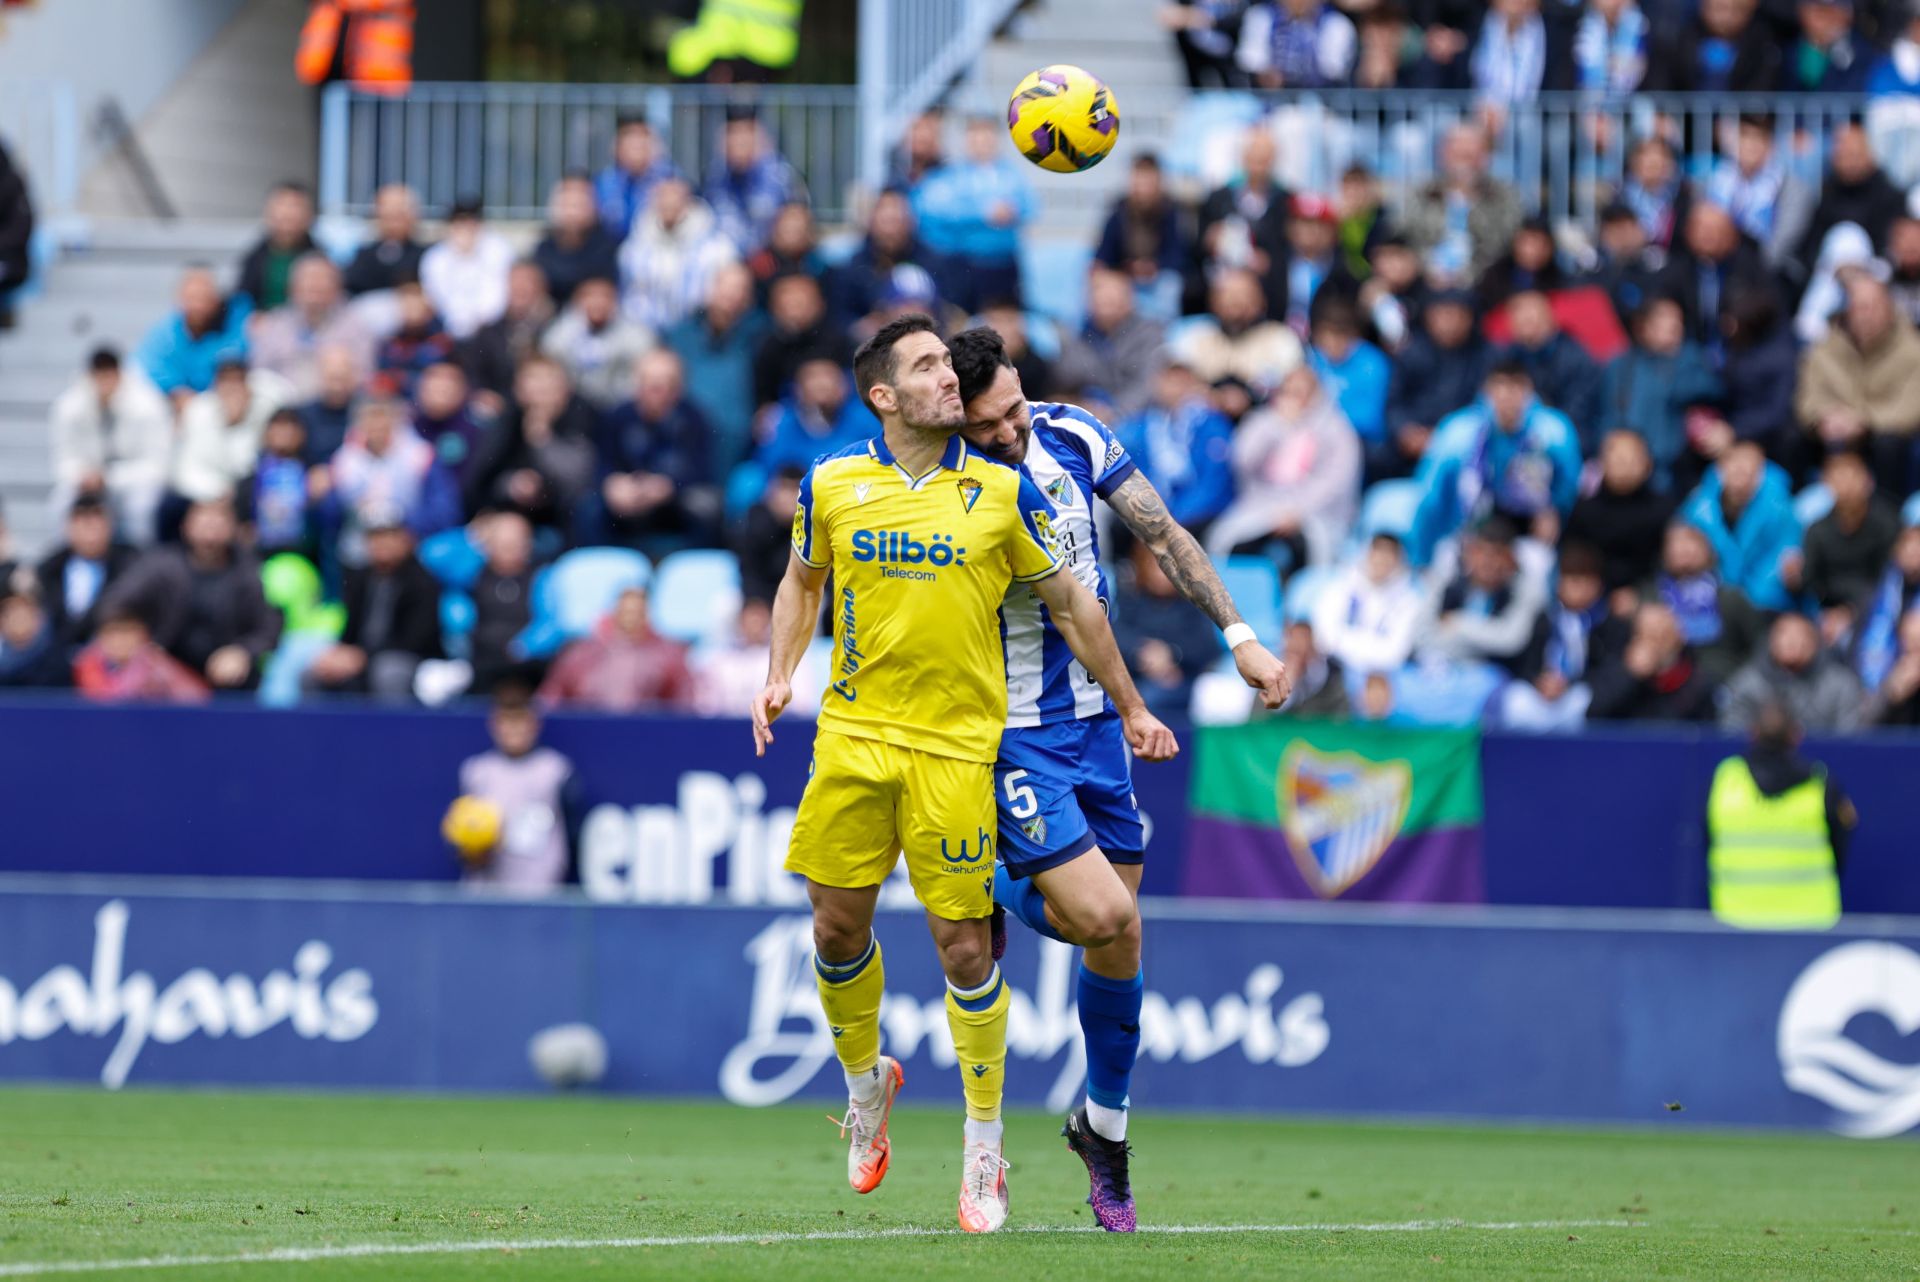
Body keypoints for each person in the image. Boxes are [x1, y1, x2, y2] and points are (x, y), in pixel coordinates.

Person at [751, 316, 1183, 1235]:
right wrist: (781, 668)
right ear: (883, 395)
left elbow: (1073, 603)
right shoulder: (831, 483)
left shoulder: (1000, 490)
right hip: (854, 737)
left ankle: (984, 1154)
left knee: (965, 951)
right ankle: (868, 1086)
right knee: (834, 927)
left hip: (961, 749)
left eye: (949, 364)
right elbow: (801, 580)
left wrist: (1135, 706)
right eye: (927, 367)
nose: (949, 378)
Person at [950, 325, 1287, 1230]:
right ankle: (988, 879)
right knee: (1102, 913)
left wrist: (1241, 637)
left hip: (1095, 726)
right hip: (1015, 733)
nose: (1011, 432)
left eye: (1016, 408)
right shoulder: (952, 485)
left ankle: (1104, 1129)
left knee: (1116, 938)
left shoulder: (1075, 432)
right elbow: (1054, 607)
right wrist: (1138, 706)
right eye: (990, 425)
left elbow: (1165, 535)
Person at [1410, 359, 1583, 561]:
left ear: (1529, 390)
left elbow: (1571, 486)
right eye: (1500, 386)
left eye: (1516, 387)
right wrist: (1423, 556)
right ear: (1487, 391)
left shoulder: (1553, 432)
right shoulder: (1458, 432)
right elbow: (1430, 494)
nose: (1507, 396)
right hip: (1467, 526)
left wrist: (1554, 509)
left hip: (1529, 527)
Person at [101, 498, 281, 691]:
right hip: (166, 677)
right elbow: (115, 604)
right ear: (186, 525)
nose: (211, 525)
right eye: (204, 517)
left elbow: (268, 628)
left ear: (233, 526)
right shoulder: (161, 566)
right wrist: (140, 643)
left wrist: (242, 652)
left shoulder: (250, 571)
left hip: (230, 681)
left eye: (220, 518)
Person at [1704, 703, 1853, 929]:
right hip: (1812, 922)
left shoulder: (1725, 779)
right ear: (1796, 735)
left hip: (1736, 920)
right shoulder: (1820, 782)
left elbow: (1707, 840)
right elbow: (1841, 845)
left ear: (1752, 733)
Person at [1204, 362, 1362, 567]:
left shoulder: (1337, 429)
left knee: (1312, 550)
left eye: (1301, 392)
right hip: (1260, 507)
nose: (1293, 399)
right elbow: (1242, 462)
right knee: (1227, 542)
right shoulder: (1262, 421)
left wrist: (1297, 511)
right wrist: (1277, 428)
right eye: (1288, 392)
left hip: (1315, 514)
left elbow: (1338, 481)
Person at [1795, 274, 1920, 496]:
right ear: (1848, 311)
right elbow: (1808, 396)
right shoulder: (1825, 347)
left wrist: (1863, 420)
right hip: (1834, 429)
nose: (1866, 315)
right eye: (1860, 307)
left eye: (1874, 307)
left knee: (1889, 445)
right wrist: (1824, 417)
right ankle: (1801, 509)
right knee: (1792, 437)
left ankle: (1888, 515)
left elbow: (1911, 409)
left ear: (1890, 309)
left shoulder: (1913, 350)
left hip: (1882, 432)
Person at [592, 349, 718, 555]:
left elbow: (702, 471)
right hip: (626, 501)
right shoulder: (617, 417)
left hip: (673, 503)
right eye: (649, 385)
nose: (655, 393)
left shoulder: (695, 419)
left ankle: (692, 570)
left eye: (663, 386)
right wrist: (612, 484)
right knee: (589, 509)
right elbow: (603, 464)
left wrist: (669, 486)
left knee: (706, 506)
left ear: (677, 388)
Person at [453, 690, 580, 892]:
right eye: (507, 722)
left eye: (520, 722)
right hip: (487, 891)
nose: (514, 731)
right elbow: (462, 839)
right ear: (494, 725)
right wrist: (473, 850)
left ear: (534, 725)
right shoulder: (477, 771)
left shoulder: (555, 770)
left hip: (538, 888)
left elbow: (573, 832)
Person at [305, 514, 442, 701]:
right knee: (313, 672)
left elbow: (414, 640)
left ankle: (394, 730)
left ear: (405, 539)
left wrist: (363, 657)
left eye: (389, 536)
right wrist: (340, 654)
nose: (382, 544)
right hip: (363, 657)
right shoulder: (360, 578)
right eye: (375, 537)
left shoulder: (423, 582)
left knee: (388, 672)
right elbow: (350, 629)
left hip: (410, 658)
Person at [1498, 541, 1629, 729]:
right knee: (1515, 700)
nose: (1580, 588)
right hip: (1542, 694)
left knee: (1586, 701)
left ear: (1599, 585)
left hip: (1576, 693)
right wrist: (1540, 681)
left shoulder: (1606, 623)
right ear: (1558, 582)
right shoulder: (1545, 619)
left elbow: (1605, 670)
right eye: (1572, 580)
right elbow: (1527, 662)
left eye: (1587, 580)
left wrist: (1569, 684)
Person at [48, 347, 172, 546]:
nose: (104, 383)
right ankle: (67, 564)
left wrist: (109, 478)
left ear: (120, 374)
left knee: (141, 506)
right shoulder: (69, 406)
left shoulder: (148, 404)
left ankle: (140, 563)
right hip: (88, 482)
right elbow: (63, 458)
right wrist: (82, 476)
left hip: (133, 483)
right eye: (99, 375)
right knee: (61, 502)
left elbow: (157, 467)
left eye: (109, 375)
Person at [463, 356, 599, 534]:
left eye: (548, 388)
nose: (540, 397)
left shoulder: (582, 417)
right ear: (519, 390)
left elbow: (579, 483)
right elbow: (479, 479)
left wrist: (541, 438)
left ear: (565, 390)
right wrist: (511, 485)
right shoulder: (507, 422)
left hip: (562, 525)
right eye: (534, 386)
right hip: (508, 518)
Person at [1597, 296, 1723, 485]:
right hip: (1626, 465)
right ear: (1643, 326)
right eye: (1663, 319)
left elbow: (1711, 391)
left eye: (1677, 321)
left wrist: (1673, 362)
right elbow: (1607, 414)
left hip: (1672, 469)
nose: (1674, 327)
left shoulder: (1690, 359)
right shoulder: (1621, 365)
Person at [911, 117, 1034, 310]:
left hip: (1005, 263)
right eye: (976, 137)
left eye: (987, 137)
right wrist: (983, 214)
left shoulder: (1011, 173)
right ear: (967, 141)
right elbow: (935, 210)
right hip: (968, 263)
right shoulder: (953, 175)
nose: (982, 143)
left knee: (1007, 317)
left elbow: (1031, 206)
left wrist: (1013, 211)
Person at [1118, 358, 1239, 541]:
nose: (1174, 389)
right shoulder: (1147, 424)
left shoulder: (1211, 424)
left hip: (1200, 513)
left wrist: (1174, 518)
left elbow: (1213, 483)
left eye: (1181, 382)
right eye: (1168, 381)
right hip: (1158, 510)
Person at [327, 398, 461, 564]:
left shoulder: (420, 456)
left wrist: (406, 524)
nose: (377, 429)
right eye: (370, 421)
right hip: (358, 552)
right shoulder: (344, 461)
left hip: (409, 548)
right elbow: (329, 516)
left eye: (383, 420)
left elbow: (445, 510)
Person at [1678, 441, 1807, 612]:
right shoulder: (1698, 509)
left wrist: (1749, 600)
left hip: (1765, 603)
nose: (1740, 479)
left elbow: (1783, 555)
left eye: (1748, 471)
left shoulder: (1780, 509)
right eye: (1734, 469)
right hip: (1711, 601)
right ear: (1720, 470)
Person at [1417, 515, 1549, 676]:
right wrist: (1480, 641)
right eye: (1481, 552)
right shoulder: (1448, 580)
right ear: (1469, 553)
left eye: (1497, 554)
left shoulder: (1526, 589)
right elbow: (1421, 636)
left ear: (1511, 558)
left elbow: (1511, 641)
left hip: (1500, 676)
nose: (1488, 562)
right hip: (1444, 671)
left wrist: (1458, 624)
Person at [1642, 520, 1767, 686]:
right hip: (1666, 693)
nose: (1684, 549)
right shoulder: (1651, 599)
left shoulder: (1731, 598)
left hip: (1726, 687)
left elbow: (1759, 648)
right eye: (1676, 543)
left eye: (1691, 541)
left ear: (1708, 550)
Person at [1382, 288, 1489, 483]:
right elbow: (1394, 402)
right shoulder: (1412, 353)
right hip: (1413, 443)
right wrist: (1406, 431)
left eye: (1456, 314)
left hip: (1462, 446)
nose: (1449, 322)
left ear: (1469, 318)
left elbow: (1484, 407)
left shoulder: (1484, 356)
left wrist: (1442, 438)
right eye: (1442, 314)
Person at [1111, 541, 1226, 719]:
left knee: (1150, 698)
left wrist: (1171, 654)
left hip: (1184, 680)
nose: (1162, 574)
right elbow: (1116, 635)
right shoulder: (1132, 598)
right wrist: (1141, 651)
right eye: (1155, 566)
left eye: (1168, 567)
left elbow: (1207, 647)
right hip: (1137, 675)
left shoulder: (1195, 602)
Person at [1399, 124, 1524, 284]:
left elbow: (1506, 244)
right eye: (1458, 154)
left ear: (1486, 158)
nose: (1466, 163)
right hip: (1426, 281)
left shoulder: (1504, 196)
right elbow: (1404, 238)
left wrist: (1470, 273)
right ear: (1443, 155)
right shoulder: (1421, 193)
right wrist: (1427, 268)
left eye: (1472, 155)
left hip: (1485, 282)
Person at [539, 585, 693, 712]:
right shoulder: (583, 653)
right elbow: (552, 696)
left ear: (647, 616)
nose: (631, 618)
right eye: (625, 612)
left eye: (638, 613)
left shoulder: (669, 655)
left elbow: (684, 703)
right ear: (614, 614)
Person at [1801, 448, 1901, 641]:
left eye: (1852, 477)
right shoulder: (1817, 529)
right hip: (1827, 612)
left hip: (1879, 609)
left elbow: (1888, 578)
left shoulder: (1888, 524)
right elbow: (1811, 580)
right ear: (1826, 484)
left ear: (1868, 482)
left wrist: (1851, 612)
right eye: (1838, 478)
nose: (1845, 486)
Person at [619, 176, 740, 332]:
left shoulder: (719, 248)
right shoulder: (633, 249)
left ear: (689, 201)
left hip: (699, 331)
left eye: (675, 197)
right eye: (663, 197)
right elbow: (628, 298)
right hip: (646, 334)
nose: (669, 203)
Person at [247, 255, 377, 400]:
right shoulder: (274, 324)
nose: (314, 284)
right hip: (283, 411)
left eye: (322, 279)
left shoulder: (356, 326)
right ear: (292, 288)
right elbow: (259, 374)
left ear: (337, 288)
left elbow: (365, 375)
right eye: (308, 278)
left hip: (335, 408)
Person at [169, 360, 293, 509]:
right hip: (209, 495)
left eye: (238, 382)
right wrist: (217, 492)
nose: (232, 390)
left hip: (254, 492)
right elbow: (185, 470)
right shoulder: (198, 412)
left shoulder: (267, 407)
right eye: (226, 383)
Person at [1722, 613, 1872, 733]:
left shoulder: (1841, 685)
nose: (1793, 642)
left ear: (1815, 643)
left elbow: (1850, 739)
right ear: (1771, 641)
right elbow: (1732, 733)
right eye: (1784, 634)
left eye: (1801, 635)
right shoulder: (1747, 684)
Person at [1169, 266, 1303, 399]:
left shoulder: (1281, 340)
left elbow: (1297, 389)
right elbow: (1171, 386)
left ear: (1262, 301)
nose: (1235, 306)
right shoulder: (1194, 338)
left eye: (1244, 296)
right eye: (1227, 296)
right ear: (1212, 301)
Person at [1567, 429, 1674, 593]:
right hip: (1594, 596)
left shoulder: (1664, 511)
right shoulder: (1584, 511)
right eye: (1617, 459)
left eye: (1631, 459)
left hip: (1650, 597)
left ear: (1648, 464)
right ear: (1602, 462)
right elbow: (1574, 561)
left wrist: (1640, 594)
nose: (1624, 466)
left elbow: (1667, 566)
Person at [1054, 266, 1166, 421]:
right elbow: (1066, 380)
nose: (1105, 299)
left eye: (1113, 293)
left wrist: (1114, 413)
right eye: (1098, 291)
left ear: (1130, 297)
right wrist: (1082, 408)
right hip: (1092, 416)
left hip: (1139, 417)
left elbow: (1150, 384)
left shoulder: (1150, 332)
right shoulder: (1078, 334)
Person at [34, 495, 136, 655]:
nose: (89, 528)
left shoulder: (131, 565)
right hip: (57, 659)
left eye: (96, 519)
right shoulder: (49, 568)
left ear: (110, 526)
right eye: (81, 520)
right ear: (68, 527)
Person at [1311, 531, 1425, 674]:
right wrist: (1371, 645)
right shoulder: (1342, 585)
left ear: (1398, 560)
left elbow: (1395, 654)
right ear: (1368, 553)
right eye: (1378, 551)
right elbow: (1325, 639)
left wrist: (1347, 640)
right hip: (1334, 671)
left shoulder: (1408, 601)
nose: (1382, 559)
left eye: (1389, 554)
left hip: (1381, 679)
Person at [135, 265, 251, 406]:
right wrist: (174, 390)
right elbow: (147, 367)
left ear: (215, 300)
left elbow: (241, 362)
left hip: (222, 403)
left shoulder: (234, 325)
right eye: (192, 298)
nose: (197, 306)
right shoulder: (165, 333)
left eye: (203, 298)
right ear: (179, 299)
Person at [1500, 290, 1603, 449]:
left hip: (1567, 443)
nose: (1527, 325)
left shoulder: (1576, 358)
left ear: (1549, 318)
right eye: (1521, 319)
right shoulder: (1505, 359)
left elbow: (1577, 414)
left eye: (1532, 319)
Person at [1585, 601, 1718, 721]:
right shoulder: (1615, 669)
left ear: (1679, 638)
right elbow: (1593, 712)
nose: (1653, 645)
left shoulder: (1696, 681)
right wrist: (1630, 674)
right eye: (1645, 635)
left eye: (1661, 636)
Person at [539, 275, 656, 412]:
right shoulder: (559, 334)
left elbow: (643, 375)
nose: (597, 303)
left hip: (620, 407)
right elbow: (548, 369)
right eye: (589, 296)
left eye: (605, 296)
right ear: (577, 301)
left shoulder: (636, 334)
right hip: (572, 408)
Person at [1093, 153, 1189, 319]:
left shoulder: (1171, 211)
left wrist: (1153, 268)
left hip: (1159, 278)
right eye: (1139, 180)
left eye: (1148, 181)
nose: (1143, 187)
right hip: (1125, 277)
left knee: (1169, 285)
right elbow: (1104, 256)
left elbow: (1178, 256)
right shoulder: (1118, 211)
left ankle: (1160, 333)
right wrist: (1125, 270)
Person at [703, 112, 803, 256]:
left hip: (770, 260)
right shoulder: (715, 177)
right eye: (732, 137)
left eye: (744, 137)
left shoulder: (780, 177)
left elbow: (796, 221)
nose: (737, 144)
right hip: (727, 263)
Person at [461, 259, 556, 411]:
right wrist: (483, 394)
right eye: (515, 281)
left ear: (541, 288)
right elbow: (474, 373)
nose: (520, 287)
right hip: (502, 407)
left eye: (527, 282)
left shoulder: (555, 328)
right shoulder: (489, 332)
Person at [469, 512, 542, 696]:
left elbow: (551, 620)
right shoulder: (471, 575)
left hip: (529, 662)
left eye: (516, 543)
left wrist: (526, 646)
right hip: (482, 659)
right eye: (503, 544)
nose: (510, 549)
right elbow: (432, 555)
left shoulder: (542, 577)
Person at [420, 198, 515, 341]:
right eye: (460, 222)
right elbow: (438, 299)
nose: (466, 227)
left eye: (471, 221)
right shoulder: (435, 257)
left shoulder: (499, 249)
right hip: (448, 329)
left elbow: (500, 294)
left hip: (491, 327)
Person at [71, 610, 209, 704]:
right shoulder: (88, 662)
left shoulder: (157, 664)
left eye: (127, 633)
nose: (120, 641)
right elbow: (101, 699)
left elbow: (197, 697)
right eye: (113, 633)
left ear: (143, 636)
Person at [531, 174, 622, 310]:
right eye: (568, 204)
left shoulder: (608, 246)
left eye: (579, 204)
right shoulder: (545, 247)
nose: (572, 212)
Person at [234, 181, 318, 311]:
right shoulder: (253, 259)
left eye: (295, 206)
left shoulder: (320, 260)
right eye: (282, 205)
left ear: (309, 215)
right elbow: (241, 301)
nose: (288, 213)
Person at [594, 114, 680, 239]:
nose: (636, 152)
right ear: (617, 148)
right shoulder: (604, 182)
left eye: (642, 144)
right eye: (631, 144)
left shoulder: (669, 178)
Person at [1236, 0, 1358, 86]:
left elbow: (1332, 72)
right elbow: (1250, 62)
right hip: (1268, 103)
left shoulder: (1336, 24)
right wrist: (1267, 75)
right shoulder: (1261, 16)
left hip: (1322, 104)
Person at [375, 279, 457, 402]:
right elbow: (384, 374)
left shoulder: (442, 341)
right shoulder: (390, 342)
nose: (411, 312)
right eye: (406, 306)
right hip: (397, 403)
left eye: (415, 305)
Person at [734, 466, 803, 606]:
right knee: (726, 605)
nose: (789, 497)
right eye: (785, 488)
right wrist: (755, 600)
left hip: (804, 596)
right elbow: (748, 570)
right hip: (762, 597)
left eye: (795, 489)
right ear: (772, 491)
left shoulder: (816, 523)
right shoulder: (756, 519)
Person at [343, 184, 426, 296]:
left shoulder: (429, 256)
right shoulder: (363, 255)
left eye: (399, 214)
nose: (393, 222)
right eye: (388, 214)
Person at [0, 586, 68, 689]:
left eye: (22, 615)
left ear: (38, 619)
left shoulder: (55, 664)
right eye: (10, 615)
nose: (17, 621)